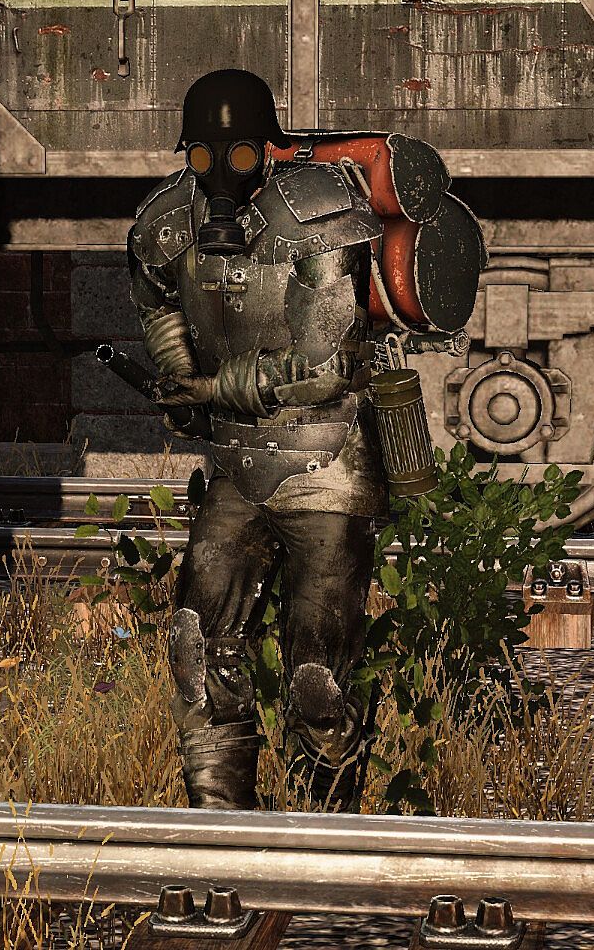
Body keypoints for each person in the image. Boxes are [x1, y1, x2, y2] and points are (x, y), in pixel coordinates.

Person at [128, 69, 386, 809]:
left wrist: (211, 389)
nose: (219, 174)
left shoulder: (317, 211)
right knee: (197, 648)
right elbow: (157, 295)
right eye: (202, 157)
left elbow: (327, 366)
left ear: (266, 150)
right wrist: (179, 373)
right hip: (236, 466)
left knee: (318, 677)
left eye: (237, 156)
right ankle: (221, 827)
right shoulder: (168, 218)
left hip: (326, 461)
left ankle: (326, 827)